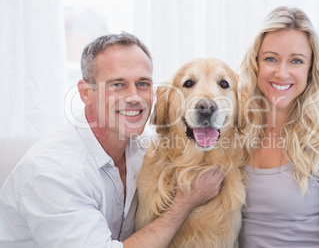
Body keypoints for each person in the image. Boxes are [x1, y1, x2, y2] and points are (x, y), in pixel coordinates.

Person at [0, 32, 224, 247]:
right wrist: (183, 205)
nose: (134, 97)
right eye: (118, 84)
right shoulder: (55, 173)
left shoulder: (145, 148)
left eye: (143, 83)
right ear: (86, 93)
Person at [238, 6, 319, 247]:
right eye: (270, 58)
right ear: (255, 64)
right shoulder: (234, 134)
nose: (282, 73)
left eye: (296, 61)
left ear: (310, 70)